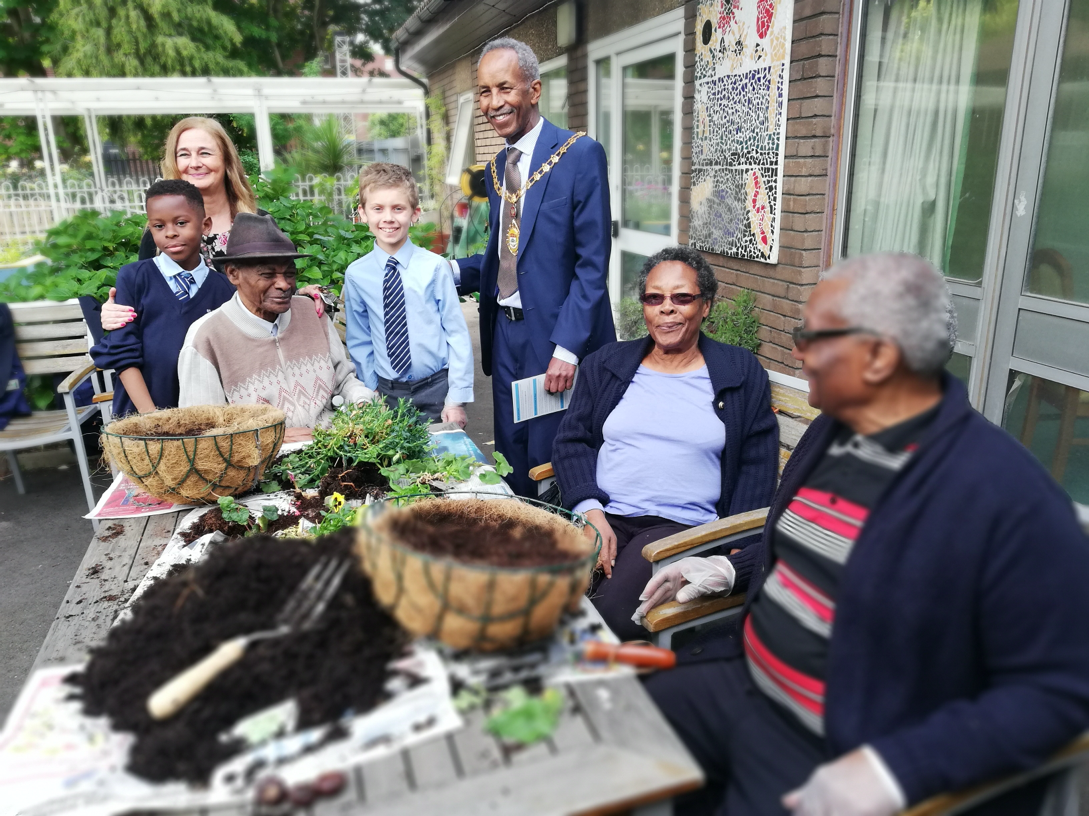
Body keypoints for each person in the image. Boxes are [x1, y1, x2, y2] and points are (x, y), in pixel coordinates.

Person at [637, 253, 1089, 816]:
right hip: (745, 681)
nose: (797, 350)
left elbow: (1059, 692)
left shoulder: (1004, 497)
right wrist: (730, 567)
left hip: (833, 743)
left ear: (877, 357)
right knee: (608, 736)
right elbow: (819, 543)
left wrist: (898, 769)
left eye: (811, 335)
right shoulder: (838, 430)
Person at [552, 247, 778, 641]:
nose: (666, 309)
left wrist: (741, 548)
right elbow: (571, 441)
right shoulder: (607, 364)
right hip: (607, 514)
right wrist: (590, 510)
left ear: (705, 305)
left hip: (681, 527)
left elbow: (756, 467)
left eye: (682, 298)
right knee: (532, 591)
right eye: (654, 298)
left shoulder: (739, 372)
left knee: (610, 617)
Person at [452, 37, 614, 496]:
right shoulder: (498, 167)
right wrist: (446, 272)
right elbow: (505, 253)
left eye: (504, 88)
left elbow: (591, 263)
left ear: (534, 90)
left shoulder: (580, 154)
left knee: (556, 456)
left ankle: (566, 553)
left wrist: (567, 348)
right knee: (512, 455)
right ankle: (521, 546)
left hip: (554, 337)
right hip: (506, 335)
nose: (493, 102)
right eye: (484, 91)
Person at [99, 117, 324, 331]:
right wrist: (114, 312)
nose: (195, 163)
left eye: (205, 153)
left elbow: (275, 285)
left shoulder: (259, 223)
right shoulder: (157, 235)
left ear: (226, 160)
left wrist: (303, 293)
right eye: (184, 154)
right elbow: (144, 298)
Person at [178, 213, 373, 442]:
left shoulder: (312, 313)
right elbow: (201, 433)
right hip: (263, 471)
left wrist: (361, 402)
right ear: (233, 274)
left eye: (289, 273)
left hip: (334, 454)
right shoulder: (206, 338)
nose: (283, 284)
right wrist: (270, 439)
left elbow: (344, 380)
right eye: (267, 274)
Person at [90, 180, 235, 417]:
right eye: (159, 226)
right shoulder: (134, 278)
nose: (170, 232)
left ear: (205, 225)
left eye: (181, 223)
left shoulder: (225, 288)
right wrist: (151, 416)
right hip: (141, 419)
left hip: (206, 420)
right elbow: (123, 352)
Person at [343, 163, 473, 425]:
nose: (388, 218)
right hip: (386, 394)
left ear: (415, 214)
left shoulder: (435, 268)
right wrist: (372, 390)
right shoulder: (357, 275)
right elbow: (360, 339)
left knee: (443, 463)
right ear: (362, 213)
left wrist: (455, 399)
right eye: (377, 208)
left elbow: (456, 334)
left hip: (436, 390)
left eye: (398, 208)